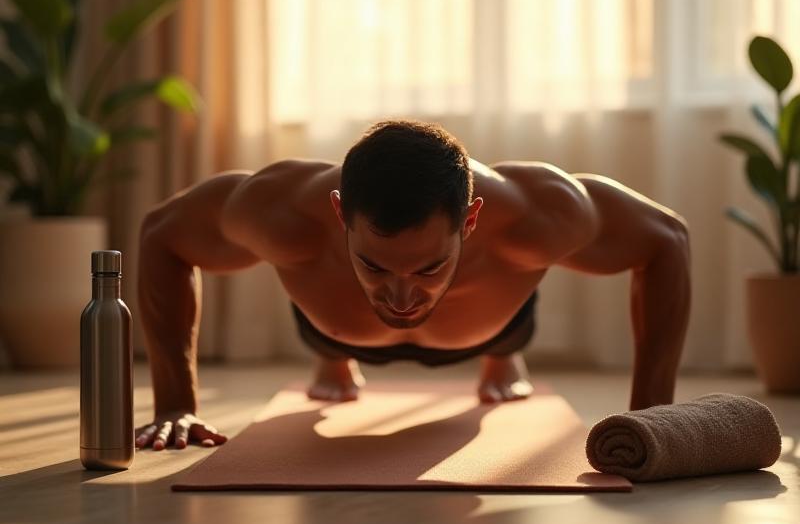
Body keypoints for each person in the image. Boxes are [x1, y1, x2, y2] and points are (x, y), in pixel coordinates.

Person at [134, 119, 690, 451]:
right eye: (375, 266)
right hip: (336, 322)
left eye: (428, 268)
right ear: (338, 214)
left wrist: (652, 412)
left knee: (503, 322)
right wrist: (176, 402)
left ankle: (502, 356)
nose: (401, 298)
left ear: (469, 221)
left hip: (491, 321)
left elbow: (666, 237)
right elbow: (162, 234)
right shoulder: (279, 213)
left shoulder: (537, 217)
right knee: (332, 318)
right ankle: (331, 355)